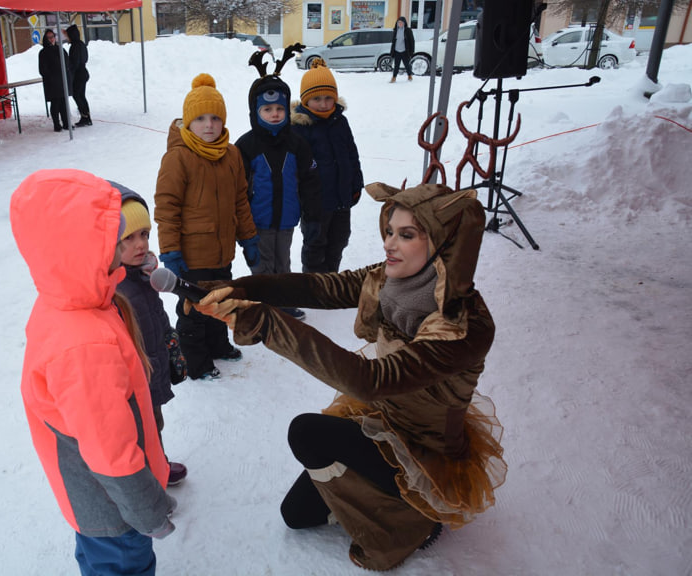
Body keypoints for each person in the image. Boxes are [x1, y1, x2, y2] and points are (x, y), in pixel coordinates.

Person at [189, 182, 507, 571]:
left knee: (307, 433)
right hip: (381, 419)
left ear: (444, 244)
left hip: (426, 449)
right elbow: (324, 287)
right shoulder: (391, 279)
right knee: (296, 514)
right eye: (390, 230)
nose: (390, 243)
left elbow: (368, 380)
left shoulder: (463, 326)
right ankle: (376, 497)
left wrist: (267, 324)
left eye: (406, 235)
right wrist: (240, 287)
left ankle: (416, 519)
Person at [11, 169, 176, 576]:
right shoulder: (84, 343)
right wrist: (148, 511)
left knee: (99, 561)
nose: (126, 246)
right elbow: (111, 452)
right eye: (111, 237)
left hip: (91, 499)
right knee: (122, 566)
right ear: (79, 246)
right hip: (113, 508)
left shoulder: (69, 300)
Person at [154, 73, 259, 381]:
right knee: (193, 311)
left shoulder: (232, 154)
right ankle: (196, 362)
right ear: (188, 123)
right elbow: (166, 207)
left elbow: (241, 199)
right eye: (200, 118)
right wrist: (170, 249)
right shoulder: (178, 158)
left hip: (222, 252)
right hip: (191, 255)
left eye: (215, 118)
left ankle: (218, 345)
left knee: (221, 302)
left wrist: (248, 238)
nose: (209, 125)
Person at [235, 49, 321, 321]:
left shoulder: (297, 144)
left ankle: (282, 303)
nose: (274, 114)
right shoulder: (246, 146)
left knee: (283, 264)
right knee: (262, 266)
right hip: (257, 221)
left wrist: (312, 212)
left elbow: (309, 180)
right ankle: (263, 306)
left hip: (286, 220)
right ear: (255, 111)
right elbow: (237, 188)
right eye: (267, 109)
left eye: (279, 108)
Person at [115, 190, 188, 486]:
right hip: (132, 380)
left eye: (144, 234)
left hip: (152, 366)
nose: (141, 244)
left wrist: (170, 342)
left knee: (154, 423)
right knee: (137, 431)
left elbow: (155, 317)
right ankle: (147, 483)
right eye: (128, 238)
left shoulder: (146, 276)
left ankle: (159, 465)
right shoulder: (116, 289)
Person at [291, 59, 363, 274]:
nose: (323, 104)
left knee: (339, 241)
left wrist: (356, 185)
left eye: (328, 98)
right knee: (315, 243)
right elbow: (296, 170)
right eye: (316, 99)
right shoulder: (300, 128)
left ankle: (331, 277)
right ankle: (313, 284)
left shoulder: (340, 122)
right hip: (315, 203)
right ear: (305, 100)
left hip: (342, 198)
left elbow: (352, 155)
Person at [38, 28, 72, 132]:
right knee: (55, 104)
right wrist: (51, 75)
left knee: (64, 103)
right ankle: (57, 124)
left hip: (62, 81)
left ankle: (66, 124)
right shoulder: (43, 52)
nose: (51, 39)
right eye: (49, 37)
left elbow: (67, 62)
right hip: (52, 82)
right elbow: (42, 69)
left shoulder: (60, 49)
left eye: (52, 37)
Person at [66, 24, 92, 128]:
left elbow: (74, 63)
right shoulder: (81, 44)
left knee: (77, 95)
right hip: (84, 72)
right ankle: (87, 117)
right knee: (81, 95)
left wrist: (70, 72)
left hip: (78, 74)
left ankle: (84, 116)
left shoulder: (74, 46)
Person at [389, 16, 415, 83]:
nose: (400, 24)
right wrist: (392, 51)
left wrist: (411, 51)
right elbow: (393, 42)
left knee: (407, 64)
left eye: (401, 23)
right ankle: (394, 77)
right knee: (396, 65)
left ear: (404, 23)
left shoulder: (408, 30)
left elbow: (412, 41)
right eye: (399, 23)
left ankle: (409, 75)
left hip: (405, 51)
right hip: (397, 50)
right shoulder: (395, 30)